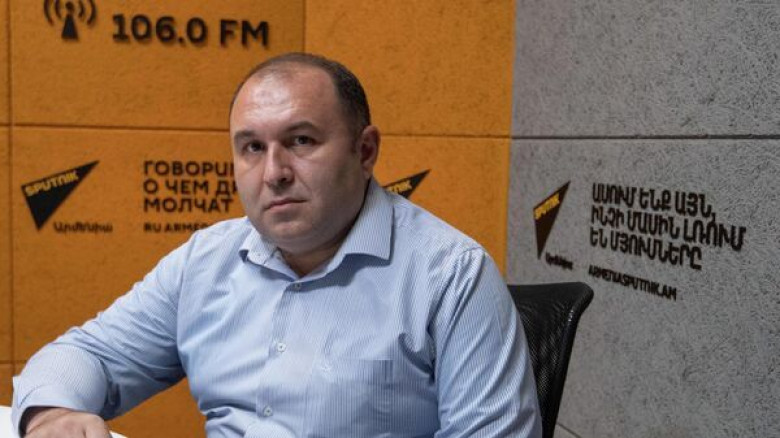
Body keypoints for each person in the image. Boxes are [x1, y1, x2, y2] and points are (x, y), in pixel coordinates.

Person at [13, 53, 542, 438]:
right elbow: (87, 355)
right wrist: (53, 414)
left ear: (364, 151)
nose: (274, 172)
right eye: (251, 148)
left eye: (301, 141)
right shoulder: (206, 262)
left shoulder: (451, 275)